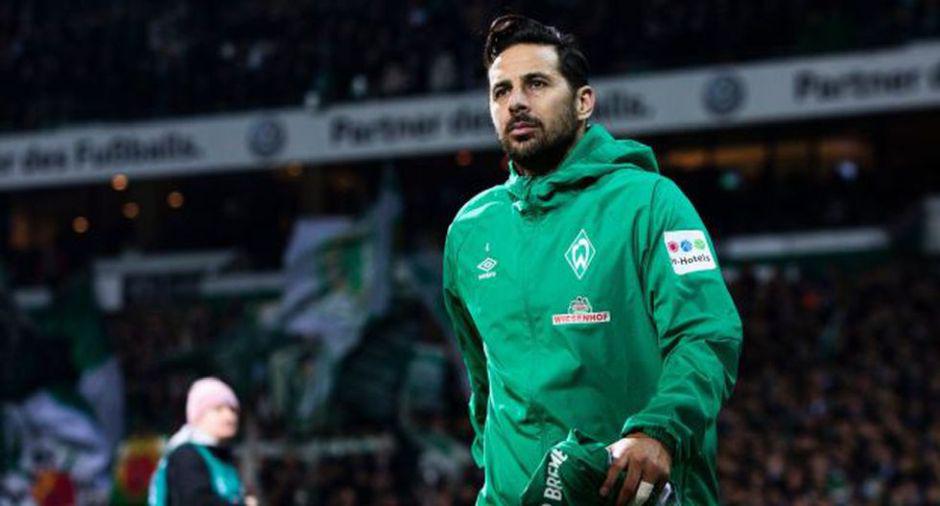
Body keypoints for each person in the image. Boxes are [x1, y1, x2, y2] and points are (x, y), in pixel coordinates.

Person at [442, 14, 743, 506]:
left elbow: (706, 336)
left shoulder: (651, 204)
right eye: (501, 91)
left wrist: (658, 433)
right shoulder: (470, 231)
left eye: (536, 84)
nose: (516, 101)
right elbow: (483, 379)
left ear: (584, 102)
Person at [148, 377, 247, 506]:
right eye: (218, 409)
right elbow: (197, 501)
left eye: (233, 410)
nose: (229, 416)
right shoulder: (185, 455)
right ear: (198, 415)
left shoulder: (220, 454)